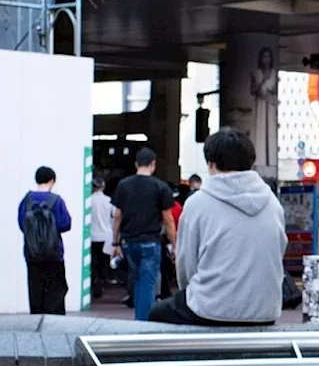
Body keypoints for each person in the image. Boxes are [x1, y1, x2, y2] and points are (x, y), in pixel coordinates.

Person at [149, 127, 286, 326]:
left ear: (211, 163)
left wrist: (192, 291)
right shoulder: (272, 203)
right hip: (264, 311)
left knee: (156, 313)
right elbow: (278, 252)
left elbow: (186, 264)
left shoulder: (198, 203)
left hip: (211, 308)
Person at [111, 148, 176, 321]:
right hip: (150, 242)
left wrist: (115, 243)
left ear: (136, 164)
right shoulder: (160, 187)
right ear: (153, 164)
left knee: (138, 279)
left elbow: (117, 216)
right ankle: (143, 321)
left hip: (128, 243)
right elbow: (168, 219)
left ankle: (140, 317)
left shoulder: (123, 185)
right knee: (147, 283)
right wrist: (175, 244)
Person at [19, 166, 73, 315]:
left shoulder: (26, 200)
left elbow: (22, 224)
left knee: (36, 289)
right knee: (55, 290)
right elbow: (65, 224)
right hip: (54, 253)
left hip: (32, 253)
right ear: (52, 180)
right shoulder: (56, 200)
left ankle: (37, 320)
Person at [87, 178, 114, 299]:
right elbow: (114, 217)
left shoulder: (88, 201)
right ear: (103, 187)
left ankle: (94, 284)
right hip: (106, 236)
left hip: (92, 235)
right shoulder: (109, 201)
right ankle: (102, 284)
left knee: (93, 262)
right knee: (104, 262)